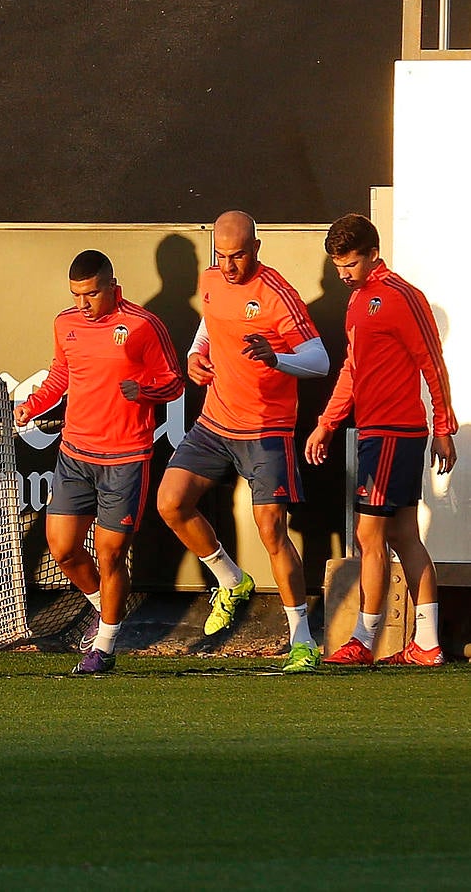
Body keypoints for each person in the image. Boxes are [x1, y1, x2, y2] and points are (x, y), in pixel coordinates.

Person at [156, 210, 329, 673]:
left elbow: (319, 359)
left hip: (266, 428)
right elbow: (211, 323)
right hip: (216, 422)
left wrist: (278, 358)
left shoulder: (276, 294)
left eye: (238, 256)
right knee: (171, 503)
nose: (230, 265)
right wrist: (196, 354)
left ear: (256, 247)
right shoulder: (213, 279)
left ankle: (302, 639)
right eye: (223, 256)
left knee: (271, 530)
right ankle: (231, 581)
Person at [14, 250, 183, 674]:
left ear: (111, 286)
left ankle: (104, 645)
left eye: (90, 294)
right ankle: (103, 608)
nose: (82, 304)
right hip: (75, 454)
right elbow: (60, 375)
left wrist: (143, 392)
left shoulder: (144, 325)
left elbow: (174, 383)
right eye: (76, 295)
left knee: (110, 555)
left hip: (126, 457)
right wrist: (33, 404)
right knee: (64, 549)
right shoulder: (65, 323)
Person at [306, 214, 457, 666]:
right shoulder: (357, 301)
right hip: (376, 431)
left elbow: (432, 362)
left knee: (369, 534)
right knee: (403, 535)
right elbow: (353, 369)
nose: (343, 274)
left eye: (350, 264)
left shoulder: (401, 296)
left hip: (394, 432)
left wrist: (444, 428)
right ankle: (426, 644)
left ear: (373, 253)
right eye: (337, 266)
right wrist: (327, 422)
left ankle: (363, 640)